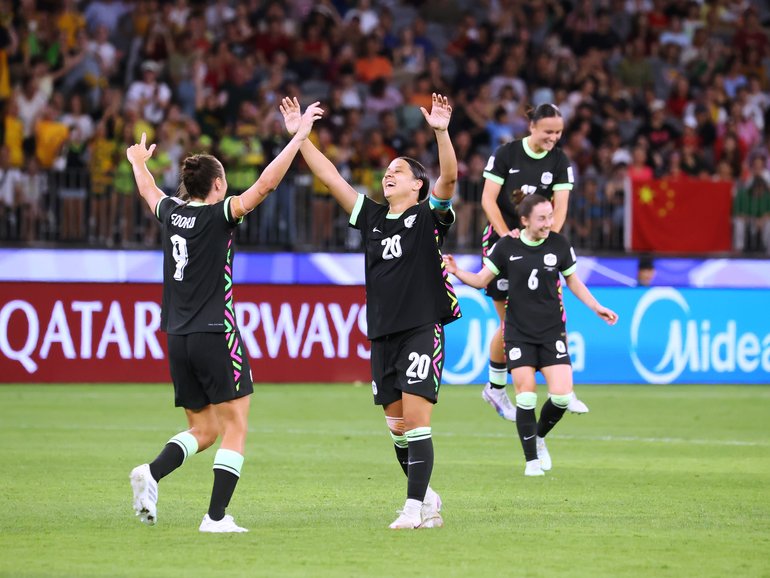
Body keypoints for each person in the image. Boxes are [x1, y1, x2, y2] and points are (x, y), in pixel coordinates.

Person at [125, 101, 323, 533]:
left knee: (204, 428)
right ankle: (215, 517)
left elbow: (148, 191)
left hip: (177, 335)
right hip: (217, 330)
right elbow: (267, 185)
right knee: (236, 425)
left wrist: (138, 162)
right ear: (217, 184)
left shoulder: (171, 214)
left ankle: (151, 473)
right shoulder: (220, 215)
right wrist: (298, 138)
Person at [280, 93, 460, 529]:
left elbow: (450, 179)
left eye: (398, 171)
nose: (389, 175)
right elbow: (330, 178)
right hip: (383, 332)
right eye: (387, 172)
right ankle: (429, 497)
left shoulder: (427, 216)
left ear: (419, 184)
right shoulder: (373, 218)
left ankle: (413, 509)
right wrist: (301, 137)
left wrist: (441, 132)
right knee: (397, 428)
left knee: (417, 420)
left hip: (421, 327)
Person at [443, 194, 618, 476]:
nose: (548, 223)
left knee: (561, 398)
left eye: (550, 217)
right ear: (524, 221)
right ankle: (531, 462)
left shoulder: (559, 244)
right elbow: (479, 281)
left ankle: (538, 437)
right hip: (518, 332)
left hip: (552, 333)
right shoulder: (506, 247)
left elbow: (573, 281)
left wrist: (597, 307)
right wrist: (456, 270)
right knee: (526, 397)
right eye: (541, 218)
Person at [479, 102, 588, 421]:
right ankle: (496, 388)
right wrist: (507, 235)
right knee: (509, 321)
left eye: (559, 132)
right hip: (503, 243)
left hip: (538, 243)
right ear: (532, 128)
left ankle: (565, 389)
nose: (554, 138)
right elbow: (487, 199)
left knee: (553, 311)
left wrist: (544, 242)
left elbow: (562, 205)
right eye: (548, 132)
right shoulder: (506, 154)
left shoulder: (559, 161)